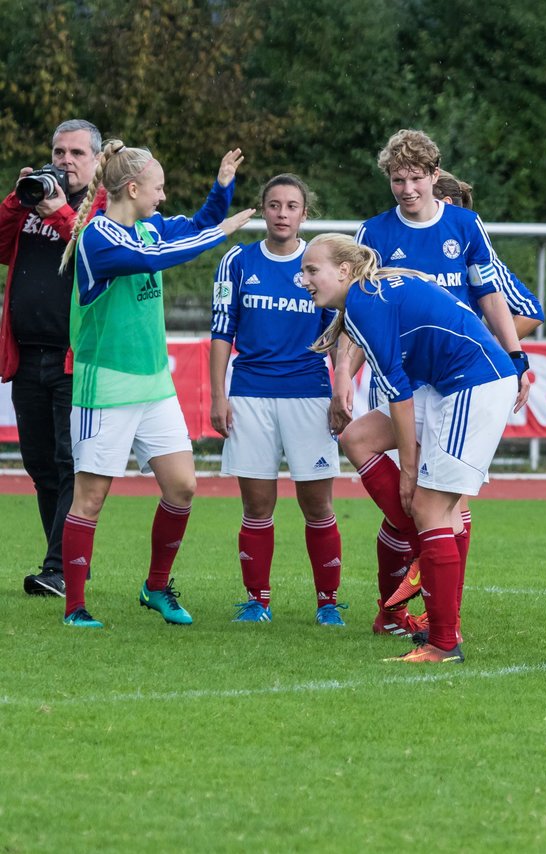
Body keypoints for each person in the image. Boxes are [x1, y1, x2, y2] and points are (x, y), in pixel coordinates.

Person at [58, 141, 255, 628]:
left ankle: (156, 586)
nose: (163, 197)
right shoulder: (99, 237)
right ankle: (75, 607)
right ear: (132, 188)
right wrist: (220, 235)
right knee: (91, 497)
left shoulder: (148, 227)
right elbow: (154, 259)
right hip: (104, 386)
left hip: (153, 386)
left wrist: (222, 188)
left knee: (183, 487)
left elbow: (196, 225)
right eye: (159, 187)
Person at [339, 131, 529, 635]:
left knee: (445, 503)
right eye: (397, 180)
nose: (406, 189)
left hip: (459, 377)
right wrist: (342, 379)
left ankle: (441, 620)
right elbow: (359, 318)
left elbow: (490, 297)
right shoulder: (374, 233)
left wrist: (517, 358)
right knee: (409, 498)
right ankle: (396, 607)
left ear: (434, 175)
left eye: (415, 178)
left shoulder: (465, 226)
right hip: (403, 378)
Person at [303, 233, 520, 664]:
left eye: (312, 270)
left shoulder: (364, 303)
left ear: (344, 271)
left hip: (474, 385)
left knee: (430, 509)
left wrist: (407, 468)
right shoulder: (367, 293)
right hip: (446, 386)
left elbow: (398, 392)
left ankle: (444, 642)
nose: (303, 279)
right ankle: (428, 550)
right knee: (358, 439)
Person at [210, 174, 346, 626]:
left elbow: (343, 332)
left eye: (292, 206)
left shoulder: (321, 263)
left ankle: (328, 603)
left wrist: (339, 388)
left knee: (318, 506)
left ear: (305, 213)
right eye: (274, 205)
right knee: (256, 506)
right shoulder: (238, 261)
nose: (282, 213)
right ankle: (257, 601)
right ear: (263, 209)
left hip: (309, 394)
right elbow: (221, 332)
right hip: (250, 394)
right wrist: (219, 395)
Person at [0, 119, 103, 597]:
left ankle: (61, 567)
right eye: (59, 152)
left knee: (69, 462)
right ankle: (62, 566)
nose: (65, 162)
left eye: (77, 153)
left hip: (73, 357)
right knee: (41, 465)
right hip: (27, 356)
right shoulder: (32, 202)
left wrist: (62, 210)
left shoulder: (103, 207)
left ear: (97, 161)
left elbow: (94, 255)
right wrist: (16, 200)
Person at [433, 170, 544, 338]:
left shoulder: (472, 250)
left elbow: (531, 312)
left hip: (457, 360)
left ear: (445, 204)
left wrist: (488, 352)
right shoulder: (399, 243)